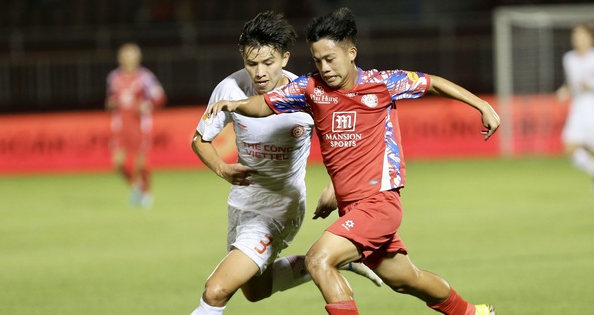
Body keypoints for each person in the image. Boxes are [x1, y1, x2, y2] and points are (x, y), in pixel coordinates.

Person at [204, 7, 500, 315]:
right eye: (317, 60)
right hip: (352, 208)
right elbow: (264, 104)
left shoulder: (382, 84)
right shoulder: (310, 88)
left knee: (319, 259)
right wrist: (234, 104)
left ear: (352, 52)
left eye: (330, 59)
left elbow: (433, 83)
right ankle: (472, 313)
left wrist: (482, 105)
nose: (324, 67)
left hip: (379, 204)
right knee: (405, 279)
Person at [190, 11, 381, 315]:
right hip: (241, 206)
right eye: (252, 63)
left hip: (280, 208)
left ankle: (328, 258)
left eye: (268, 62)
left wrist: (335, 186)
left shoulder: (307, 94)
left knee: (216, 291)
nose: (260, 72)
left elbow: (347, 142)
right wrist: (223, 169)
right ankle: (329, 259)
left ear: (285, 58)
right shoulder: (231, 88)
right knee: (255, 291)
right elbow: (200, 140)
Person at [105, 42, 166, 208]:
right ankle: (137, 187)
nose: (128, 59)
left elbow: (159, 96)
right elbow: (111, 99)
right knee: (118, 163)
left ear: (138, 58)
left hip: (139, 124)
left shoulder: (145, 77)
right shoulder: (114, 77)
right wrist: (111, 103)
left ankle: (145, 193)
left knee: (140, 163)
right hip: (120, 125)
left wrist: (148, 105)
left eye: (131, 55)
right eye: (125, 56)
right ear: (120, 58)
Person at [556, 23, 594, 179]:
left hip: (592, 105)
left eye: (582, 35)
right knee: (569, 148)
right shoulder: (569, 58)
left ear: (590, 38)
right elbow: (571, 82)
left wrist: (590, 85)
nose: (578, 39)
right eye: (576, 36)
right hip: (577, 107)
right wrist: (564, 90)